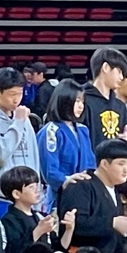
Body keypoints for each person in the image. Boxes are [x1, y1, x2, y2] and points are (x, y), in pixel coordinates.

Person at [58, 138, 127, 253]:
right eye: (121, 164)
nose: (126, 170)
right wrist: (111, 223)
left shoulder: (114, 190)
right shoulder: (81, 185)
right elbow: (75, 223)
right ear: (104, 164)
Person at [37, 80, 94, 212]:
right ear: (65, 100)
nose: (81, 106)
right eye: (77, 101)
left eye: (82, 102)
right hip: (60, 196)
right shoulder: (51, 131)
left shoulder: (83, 129)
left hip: (85, 194)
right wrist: (67, 180)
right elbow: (50, 171)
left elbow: (91, 163)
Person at [0, 66, 39, 185]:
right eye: (12, 94)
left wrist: (37, 186)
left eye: (20, 93)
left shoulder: (23, 117)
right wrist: (18, 122)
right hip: (3, 192)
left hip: (29, 190)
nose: (16, 99)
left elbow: (34, 155)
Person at [0, 166, 58, 253]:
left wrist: (68, 229)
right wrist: (39, 231)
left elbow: (56, 246)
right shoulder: (9, 220)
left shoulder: (40, 216)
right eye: (32, 187)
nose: (37, 191)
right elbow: (15, 252)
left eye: (38, 186)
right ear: (16, 194)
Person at [81, 45, 127, 150]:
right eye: (119, 71)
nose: (121, 77)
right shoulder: (82, 101)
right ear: (106, 67)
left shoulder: (120, 106)